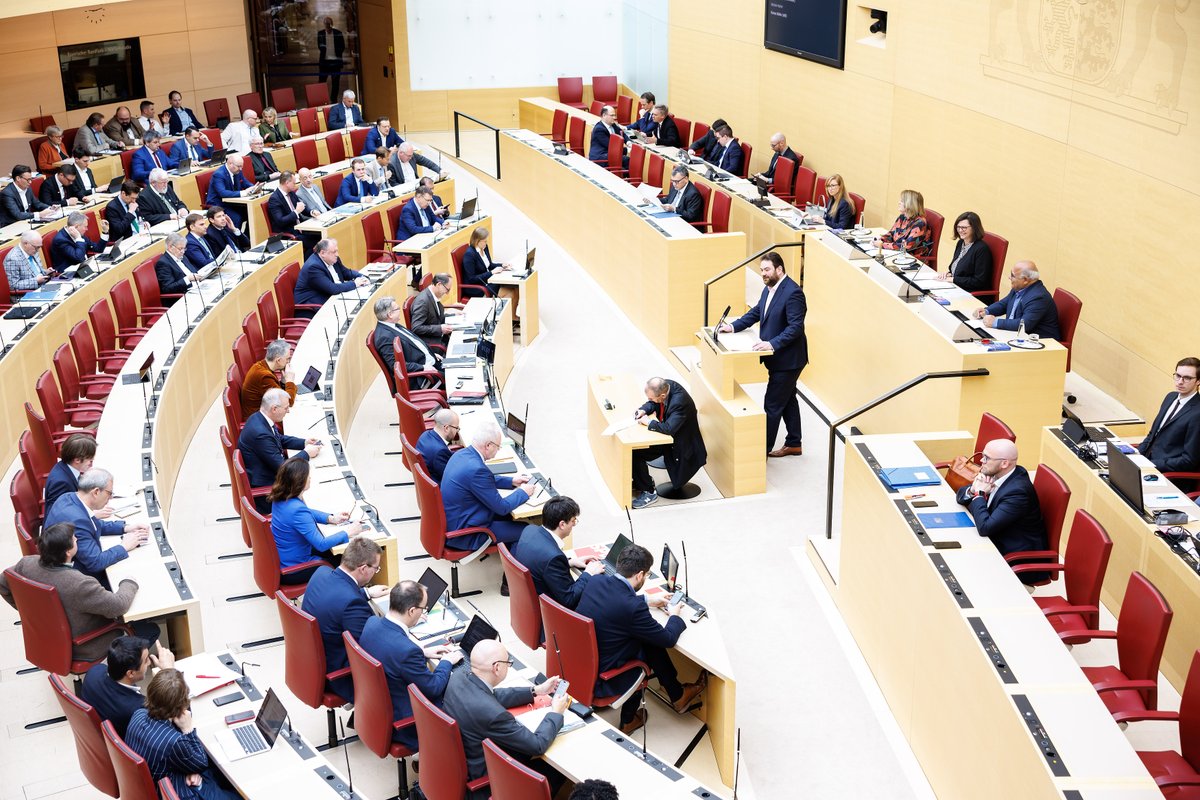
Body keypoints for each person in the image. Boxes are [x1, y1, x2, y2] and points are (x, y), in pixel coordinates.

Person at [575, 543, 704, 734]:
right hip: (604, 677)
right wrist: (675, 614)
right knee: (650, 642)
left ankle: (677, 694)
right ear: (639, 575)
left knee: (646, 636)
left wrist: (646, 600)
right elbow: (668, 638)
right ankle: (629, 720)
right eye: (647, 574)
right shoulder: (633, 609)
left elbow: (616, 602)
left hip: (581, 663)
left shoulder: (595, 581)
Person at [441, 638, 568, 800]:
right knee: (556, 768)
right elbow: (537, 745)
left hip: (464, 761)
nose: (509, 666)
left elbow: (490, 696)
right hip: (486, 779)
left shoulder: (458, 677)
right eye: (508, 663)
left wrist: (536, 690)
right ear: (497, 668)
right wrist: (556, 713)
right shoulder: (494, 715)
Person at [0, 523, 141, 664]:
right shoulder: (79, 584)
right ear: (68, 551)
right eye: (74, 539)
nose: (77, 540)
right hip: (84, 645)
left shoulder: (26, 563)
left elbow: (2, 583)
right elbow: (119, 605)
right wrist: (129, 582)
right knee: (149, 629)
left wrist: (29, 612)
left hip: (47, 636)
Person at [718, 252, 808, 456]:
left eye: (767, 270)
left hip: (788, 360)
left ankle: (761, 453)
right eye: (761, 270)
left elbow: (796, 328)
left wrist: (771, 343)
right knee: (787, 399)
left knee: (772, 404)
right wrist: (732, 327)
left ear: (779, 269)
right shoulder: (769, 288)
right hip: (777, 358)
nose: (763, 274)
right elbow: (758, 311)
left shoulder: (793, 293)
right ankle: (794, 442)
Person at [358, 580, 463, 748]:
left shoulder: (372, 623)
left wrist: (422, 652)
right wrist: (446, 662)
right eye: (423, 608)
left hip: (376, 710)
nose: (424, 611)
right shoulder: (406, 651)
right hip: (407, 721)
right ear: (412, 611)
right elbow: (434, 687)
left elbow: (390, 650)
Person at [124, 669, 239, 800]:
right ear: (181, 706)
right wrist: (188, 730)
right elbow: (201, 763)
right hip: (173, 791)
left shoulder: (138, 714)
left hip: (150, 782)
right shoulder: (175, 741)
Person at [300, 536, 388, 699]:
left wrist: (366, 593)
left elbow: (335, 598)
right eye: (376, 568)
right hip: (342, 675)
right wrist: (400, 622)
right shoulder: (352, 604)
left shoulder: (322, 573)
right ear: (363, 568)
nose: (376, 571)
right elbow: (372, 646)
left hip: (312, 664)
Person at [955, 439, 1050, 584]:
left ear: (1004, 463)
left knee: (959, 569)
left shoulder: (1018, 492)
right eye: (982, 455)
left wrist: (979, 495)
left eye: (987, 458)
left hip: (1015, 558)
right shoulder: (997, 472)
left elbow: (985, 528)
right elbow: (961, 496)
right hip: (996, 540)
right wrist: (973, 489)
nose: (981, 460)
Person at [441, 417, 536, 549]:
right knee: (528, 530)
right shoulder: (477, 470)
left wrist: (511, 481)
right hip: (467, 533)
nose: (498, 450)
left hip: (455, 520)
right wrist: (523, 492)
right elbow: (502, 508)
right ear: (488, 445)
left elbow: (480, 480)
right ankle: (512, 565)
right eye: (498, 447)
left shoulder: (461, 454)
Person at [44, 468, 150, 586]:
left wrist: (125, 528)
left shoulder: (68, 497)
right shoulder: (77, 520)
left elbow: (92, 524)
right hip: (82, 582)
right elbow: (96, 562)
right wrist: (124, 546)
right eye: (109, 493)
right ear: (95, 492)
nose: (110, 498)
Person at [269, 457, 363, 583]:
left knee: (335, 550)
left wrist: (330, 518)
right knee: (351, 559)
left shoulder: (279, 498)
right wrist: (348, 532)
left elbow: (305, 513)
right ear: (300, 481)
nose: (310, 478)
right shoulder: (297, 510)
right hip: (295, 570)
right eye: (308, 476)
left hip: (286, 559)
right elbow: (321, 544)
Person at [237, 388, 322, 511]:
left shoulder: (258, 418)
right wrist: (306, 454)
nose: (288, 411)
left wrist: (303, 442)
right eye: (286, 408)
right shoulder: (260, 434)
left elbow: (278, 439)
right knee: (311, 490)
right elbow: (284, 468)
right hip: (267, 492)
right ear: (274, 409)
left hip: (267, 475)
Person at [512, 495, 603, 609]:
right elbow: (569, 599)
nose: (574, 524)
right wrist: (588, 573)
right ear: (562, 524)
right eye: (573, 520)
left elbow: (541, 563)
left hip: (529, 601)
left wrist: (569, 562)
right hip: (550, 610)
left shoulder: (530, 530)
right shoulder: (553, 557)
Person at [630, 377, 708, 509]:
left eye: (651, 398)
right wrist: (644, 409)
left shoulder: (679, 403)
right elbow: (654, 403)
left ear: (663, 395)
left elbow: (669, 428)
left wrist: (648, 422)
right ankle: (641, 481)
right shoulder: (665, 385)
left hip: (680, 444)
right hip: (671, 437)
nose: (650, 400)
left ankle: (649, 492)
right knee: (634, 451)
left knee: (637, 454)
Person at [81, 636, 175, 737]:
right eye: (146, 660)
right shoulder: (138, 709)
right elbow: (175, 724)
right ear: (130, 673)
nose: (149, 662)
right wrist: (170, 672)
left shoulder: (93, 672)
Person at [1138, 357, 1200, 472]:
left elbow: (1189, 460)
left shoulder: (1197, 414)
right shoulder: (1170, 397)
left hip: (1167, 473)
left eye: (1187, 378)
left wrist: (1152, 464)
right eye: (1178, 376)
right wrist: (1136, 455)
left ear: (1198, 381)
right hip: (1146, 462)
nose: (1180, 381)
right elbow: (1152, 435)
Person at [972, 260, 1061, 338]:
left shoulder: (1038, 297)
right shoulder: (1019, 288)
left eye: (1013, 275)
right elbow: (1004, 304)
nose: (1009, 277)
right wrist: (986, 311)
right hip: (1014, 336)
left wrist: (996, 322)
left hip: (1039, 343)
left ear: (1025, 280)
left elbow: (1024, 324)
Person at [372, 295, 442, 388]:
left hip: (430, 363)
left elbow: (414, 343)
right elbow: (396, 366)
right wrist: (423, 367)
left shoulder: (393, 325)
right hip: (422, 377)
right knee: (456, 378)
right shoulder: (384, 337)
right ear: (390, 314)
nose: (399, 311)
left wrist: (431, 353)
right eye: (397, 309)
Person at [295, 238, 369, 316]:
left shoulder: (332, 259)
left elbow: (346, 272)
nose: (337, 254)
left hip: (329, 296)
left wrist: (362, 277)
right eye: (334, 252)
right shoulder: (313, 267)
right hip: (312, 306)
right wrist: (355, 284)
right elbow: (332, 289)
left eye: (337, 251)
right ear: (322, 253)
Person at [45, 433, 105, 513]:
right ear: (77, 460)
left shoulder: (65, 467)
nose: (91, 464)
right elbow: (60, 514)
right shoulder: (62, 483)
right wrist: (92, 514)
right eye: (90, 460)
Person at [938, 211, 993, 293]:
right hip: (957, 287)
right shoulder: (960, 243)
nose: (960, 230)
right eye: (958, 227)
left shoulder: (982, 249)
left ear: (974, 228)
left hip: (970, 293)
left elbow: (979, 281)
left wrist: (953, 279)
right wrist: (949, 274)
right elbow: (961, 270)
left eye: (964, 228)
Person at [242, 339, 296, 420]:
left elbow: (277, 392)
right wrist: (290, 381)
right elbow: (288, 402)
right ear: (278, 360)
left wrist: (283, 381)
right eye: (287, 359)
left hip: (262, 411)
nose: (288, 362)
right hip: (258, 420)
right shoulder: (264, 376)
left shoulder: (261, 365)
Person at [461, 226, 517, 300]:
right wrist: (491, 273)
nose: (486, 243)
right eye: (484, 241)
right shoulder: (469, 255)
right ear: (477, 241)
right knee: (511, 293)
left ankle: (508, 310)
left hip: (486, 281)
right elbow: (472, 279)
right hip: (477, 288)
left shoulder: (484, 247)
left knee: (515, 288)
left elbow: (489, 265)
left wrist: (502, 265)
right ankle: (499, 309)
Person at [876, 189, 933, 258]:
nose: (898, 202)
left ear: (910, 204)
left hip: (912, 259)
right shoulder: (902, 217)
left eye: (902, 201)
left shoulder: (920, 224)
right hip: (897, 254)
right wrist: (880, 240)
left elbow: (906, 247)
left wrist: (882, 245)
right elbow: (891, 234)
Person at [409, 272, 456, 348]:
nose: (447, 293)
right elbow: (416, 328)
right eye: (447, 289)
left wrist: (453, 315)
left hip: (440, 337)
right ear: (439, 285)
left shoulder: (432, 295)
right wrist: (440, 328)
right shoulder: (422, 302)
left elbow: (433, 316)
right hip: (432, 343)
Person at [205, 154, 252, 228]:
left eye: (241, 166)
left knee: (251, 213)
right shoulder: (219, 174)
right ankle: (234, 239)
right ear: (230, 164)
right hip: (218, 204)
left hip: (231, 202)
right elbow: (222, 193)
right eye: (239, 166)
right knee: (236, 218)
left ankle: (245, 237)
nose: (241, 169)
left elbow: (245, 182)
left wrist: (254, 188)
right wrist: (243, 193)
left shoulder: (237, 171)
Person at [416, 408, 460, 482]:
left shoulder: (425, 435)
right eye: (456, 428)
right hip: (441, 489)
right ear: (446, 428)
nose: (457, 431)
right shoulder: (440, 452)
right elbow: (453, 478)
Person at [154, 233, 198, 301]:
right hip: (182, 297)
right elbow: (167, 288)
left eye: (184, 248)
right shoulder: (163, 263)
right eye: (180, 248)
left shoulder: (182, 257)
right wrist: (187, 279)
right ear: (170, 247)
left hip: (196, 288)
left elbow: (193, 271)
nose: (183, 251)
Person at [267, 171, 305, 236]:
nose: (295, 185)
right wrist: (296, 212)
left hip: (301, 228)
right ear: (287, 183)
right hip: (290, 233)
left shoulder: (291, 193)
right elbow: (281, 221)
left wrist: (311, 212)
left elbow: (301, 206)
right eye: (294, 183)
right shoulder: (274, 199)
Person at [318, 18, 347, 99]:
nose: (328, 25)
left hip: (335, 62)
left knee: (335, 83)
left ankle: (333, 99)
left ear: (332, 24)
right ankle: (322, 99)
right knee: (322, 82)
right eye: (326, 24)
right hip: (325, 63)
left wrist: (336, 55)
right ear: (324, 24)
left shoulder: (338, 33)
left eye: (329, 23)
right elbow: (320, 46)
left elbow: (342, 46)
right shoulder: (320, 34)